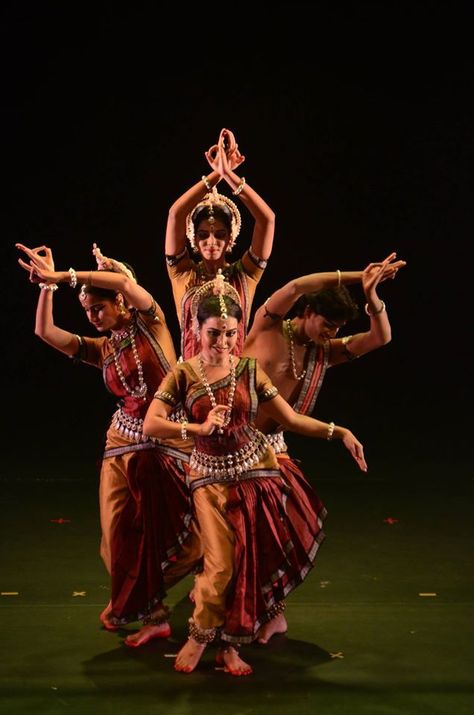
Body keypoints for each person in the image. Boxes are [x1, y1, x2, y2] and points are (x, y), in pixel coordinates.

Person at [142, 274, 367, 676]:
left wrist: (341, 432)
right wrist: (196, 430)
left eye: (230, 333)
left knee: (248, 562)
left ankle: (229, 646)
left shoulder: (248, 370)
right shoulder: (184, 374)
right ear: (197, 328)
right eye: (214, 333)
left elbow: (292, 419)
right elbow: (151, 424)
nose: (223, 342)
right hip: (208, 478)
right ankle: (199, 635)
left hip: (255, 470)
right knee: (221, 565)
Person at [16, 241, 199, 645]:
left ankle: (160, 602)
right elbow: (44, 332)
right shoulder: (105, 348)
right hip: (121, 441)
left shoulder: (153, 323)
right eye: (86, 311)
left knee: (167, 530)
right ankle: (151, 612)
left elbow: (123, 282)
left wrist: (64, 276)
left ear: (121, 300)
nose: (92, 317)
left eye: (98, 308)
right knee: (116, 534)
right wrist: (47, 289)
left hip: (167, 437)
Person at [242, 252, 406, 642]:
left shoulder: (322, 352)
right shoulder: (267, 327)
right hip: (227, 443)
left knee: (279, 535)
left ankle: (272, 613)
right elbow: (297, 284)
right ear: (309, 311)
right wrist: (358, 274)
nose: (331, 333)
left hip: (270, 449)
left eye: (336, 328)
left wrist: (372, 297)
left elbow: (380, 337)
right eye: (327, 324)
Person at [165, 127, 275, 358]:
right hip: (191, 382)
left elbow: (267, 219)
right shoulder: (182, 274)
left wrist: (230, 176)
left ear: (231, 238)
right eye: (203, 234)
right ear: (193, 238)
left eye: (220, 234)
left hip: (234, 380)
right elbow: (176, 214)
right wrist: (216, 174)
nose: (211, 241)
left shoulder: (245, 275)